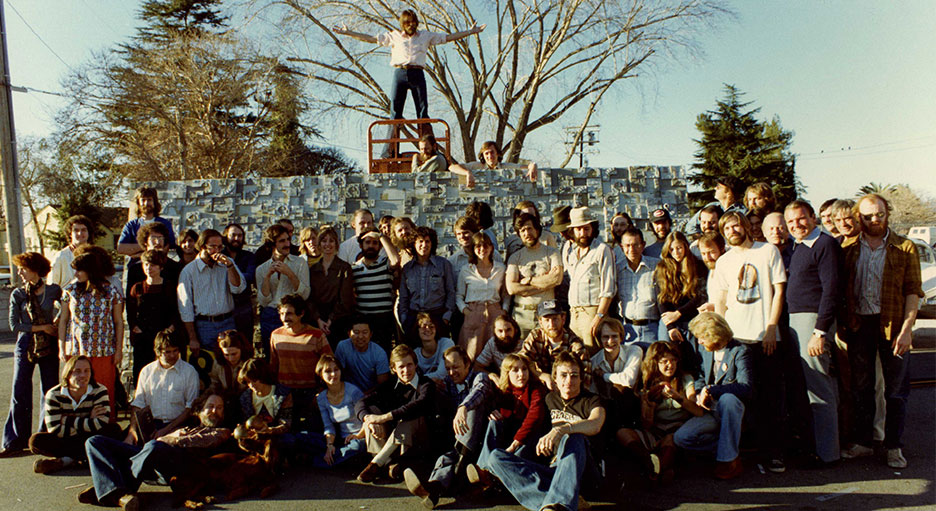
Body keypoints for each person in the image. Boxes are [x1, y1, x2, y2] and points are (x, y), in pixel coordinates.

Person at [839, 194, 922, 469]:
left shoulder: (905, 247)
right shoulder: (848, 247)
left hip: (894, 326)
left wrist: (907, 329)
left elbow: (913, 291)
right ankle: (863, 443)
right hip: (860, 325)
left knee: (896, 391)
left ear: (887, 213)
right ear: (858, 218)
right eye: (868, 216)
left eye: (880, 214)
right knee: (861, 387)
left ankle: (893, 446)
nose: (875, 219)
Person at [708, 210, 787, 472]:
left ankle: (774, 453)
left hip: (764, 336)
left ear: (744, 226)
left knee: (771, 397)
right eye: (727, 227)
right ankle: (748, 451)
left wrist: (771, 327)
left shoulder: (767, 252)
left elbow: (778, 291)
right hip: (736, 339)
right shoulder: (724, 261)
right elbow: (720, 300)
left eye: (736, 225)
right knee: (743, 395)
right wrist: (720, 335)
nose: (732, 230)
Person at [485, 351, 605, 511]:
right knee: (495, 457)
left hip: (583, 473)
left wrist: (562, 430)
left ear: (581, 378)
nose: (569, 381)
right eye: (563, 375)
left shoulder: (592, 400)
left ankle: (561, 502)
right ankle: (557, 503)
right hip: (552, 470)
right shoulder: (550, 399)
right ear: (555, 378)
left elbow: (595, 423)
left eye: (574, 375)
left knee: (574, 438)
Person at [333, 10, 484, 131]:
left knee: (422, 111)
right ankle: (390, 152)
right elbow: (371, 38)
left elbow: (448, 37)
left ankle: (428, 147)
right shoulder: (394, 36)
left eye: (413, 22)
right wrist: (349, 33)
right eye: (408, 22)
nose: (411, 25)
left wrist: (470, 32)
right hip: (400, 73)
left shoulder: (425, 35)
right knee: (395, 113)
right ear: (403, 24)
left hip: (417, 73)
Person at [79, 393, 232, 509]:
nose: (214, 411)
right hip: (151, 456)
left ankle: (113, 489)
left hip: (178, 466)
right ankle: (114, 491)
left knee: (154, 446)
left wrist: (173, 439)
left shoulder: (222, 431)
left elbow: (207, 440)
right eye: (210, 406)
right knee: (95, 441)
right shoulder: (188, 426)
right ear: (200, 410)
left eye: (219, 408)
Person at [783, 200, 843, 466]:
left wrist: (819, 331)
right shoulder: (798, 247)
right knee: (809, 387)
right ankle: (818, 447)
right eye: (791, 222)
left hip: (812, 323)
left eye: (801, 219)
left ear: (813, 218)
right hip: (796, 321)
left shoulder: (825, 244)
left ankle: (828, 454)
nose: (797, 225)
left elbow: (831, 290)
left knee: (819, 386)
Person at [403, 346, 493, 508]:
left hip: (479, 442)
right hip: (459, 444)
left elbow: (480, 390)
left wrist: (463, 407)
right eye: (448, 368)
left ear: (467, 364)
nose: (452, 372)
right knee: (446, 458)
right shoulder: (449, 383)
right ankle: (434, 490)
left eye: (456, 367)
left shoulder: (480, 377)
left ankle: (451, 481)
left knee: (472, 409)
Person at [673, 312, 753, 480]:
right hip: (709, 411)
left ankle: (728, 461)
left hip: (732, 410)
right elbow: (701, 376)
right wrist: (699, 391)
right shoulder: (705, 350)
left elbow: (746, 387)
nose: (699, 341)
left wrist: (711, 390)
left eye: (702, 337)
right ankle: (729, 448)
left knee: (728, 399)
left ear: (714, 335)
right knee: (681, 438)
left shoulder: (740, 351)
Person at [1, 252, 63, 457]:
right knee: (19, 390)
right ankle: (14, 441)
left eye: (23, 269)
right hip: (25, 343)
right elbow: (14, 325)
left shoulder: (54, 291)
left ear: (35, 270)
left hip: (49, 344)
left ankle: (44, 438)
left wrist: (55, 324)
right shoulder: (18, 294)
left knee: (49, 389)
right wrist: (42, 327)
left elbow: (66, 309)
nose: (19, 272)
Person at [617, 341, 703, 482]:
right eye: (665, 361)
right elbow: (647, 425)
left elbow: (698, 411)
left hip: (676, 430)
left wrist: (678, 397)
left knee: (670, 439)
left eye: (673, 360)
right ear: (655, 363)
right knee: (623, 433)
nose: (670, 365)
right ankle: (651, 464)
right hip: (655, 431)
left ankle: (655, 472)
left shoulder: (685, 379)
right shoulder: (647, 383)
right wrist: (649, 406)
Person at [58, 246, 123, 423]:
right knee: (77, 391)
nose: (76, 273)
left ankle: (106, 428)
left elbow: (118, 322)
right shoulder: (69, 291)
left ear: (90, 270)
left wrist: (118, 350)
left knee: (104, 390)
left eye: (79, 270)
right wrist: (61, 347)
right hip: (77, 350)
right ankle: (78, 428)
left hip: (103, 350)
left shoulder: (110, 291)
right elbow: (63, 320)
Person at [466, 354, 548, 492]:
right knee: (494, 423)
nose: (521, 374)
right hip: (510, 435)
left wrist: (514, 445)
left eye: (524, 369)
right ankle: (484, 468)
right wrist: (492, 411)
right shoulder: (503, 390)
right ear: (507, 373)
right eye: (515, 370)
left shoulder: (536, 389)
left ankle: (492, 477)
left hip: (529, 438)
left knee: (519, 451)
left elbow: (533, 419)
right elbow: (491, 405)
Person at [355, 345, 437, 483]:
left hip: (420, 440)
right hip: (395, 442)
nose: (406, 370)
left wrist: (384, 417)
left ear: (416, 365)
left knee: (407, 419)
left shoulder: (426, 384)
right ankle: (389, 466)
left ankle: (376, 464)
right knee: (372, 422)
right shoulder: (390, 385)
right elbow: (361, 402)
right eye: (401, 367)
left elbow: (416, 406)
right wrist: (368, 419)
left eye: (410, 365)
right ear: (393, 369)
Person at [29, 356, 121, 474]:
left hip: (88, 439)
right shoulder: (54, 394)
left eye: (86, 371)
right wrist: (89, 421)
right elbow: (55, 429)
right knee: (35, 441)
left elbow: (101, 422)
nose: (83, 375)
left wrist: (67, 420)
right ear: (68, 374)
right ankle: (85, 458)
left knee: (114, 430)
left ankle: (65, 461)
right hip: (67, 440)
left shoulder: (99, 390)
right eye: (77, 371)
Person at [177, 229, 246, 353]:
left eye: (220, 247)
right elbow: (185, 308)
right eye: (213, 247)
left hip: (228, 322)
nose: (218, 251)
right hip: (205, 325)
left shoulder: (227, 263)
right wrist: (193, 338)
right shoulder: (189, 271)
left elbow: (238, 288)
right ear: (203, 247)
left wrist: (230, 266)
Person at [270, 293, 332, 430]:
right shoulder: (276, 335)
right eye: (282, 314)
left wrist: (321, 390)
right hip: (285, 392)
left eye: (289, 314)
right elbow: (274, 365)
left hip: (309, 392)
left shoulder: (316, 335)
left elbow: (329, 364)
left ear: (301, 314)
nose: (285, 318)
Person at [127, 330, 200, 445]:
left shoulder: (189, 372)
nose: (172, 355)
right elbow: (138, 404)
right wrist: (132, 431)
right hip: (150, 427)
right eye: (167, 352)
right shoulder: (147, 371)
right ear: (158, 352)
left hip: (177, 426)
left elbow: (190, 408)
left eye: (175, 351)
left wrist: (165, 431)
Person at [563, 207, 616, 350]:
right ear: (572, 231)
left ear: (592, 228)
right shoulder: (569, 251)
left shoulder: (602, 250)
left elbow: (608, 288)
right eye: (578, 229)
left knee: (594, 354)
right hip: (574, 313)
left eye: (586, 228)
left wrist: (599, 316)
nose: (583, 233)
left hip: (593, 311)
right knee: (578, 355)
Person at [656, 232, 708, 373]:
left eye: (679, 248)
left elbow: (700, 296)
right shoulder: (662, 268)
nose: (676, 252)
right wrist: (671, 326)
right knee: (669, 357)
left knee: (696, 360)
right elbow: (661, 299)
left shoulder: (697, 265)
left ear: (685, 246)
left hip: (692, 318)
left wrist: (679, 313)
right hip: (670, 321)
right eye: (672, 249)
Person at [127, 250, 181, 384]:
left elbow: (176, 310)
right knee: (142, 372)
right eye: (146, 265)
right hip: (143, 336)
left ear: (161, 267)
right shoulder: (137, 288)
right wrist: (134, 327)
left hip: (164, 336)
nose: (148, 268)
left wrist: (171, 327)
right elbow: (130, 311)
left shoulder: (169, 287)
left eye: (153, 265)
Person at [506, 212, 563, 337]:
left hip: (547, 316)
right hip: (522, 316)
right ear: (519, 234)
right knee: (522, 354)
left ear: (537, 229)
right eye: (522, 230)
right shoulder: (515, 258)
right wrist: (545, 283)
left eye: (529, 228)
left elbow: (557, 279)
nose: (527, 234)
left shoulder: (552, 253)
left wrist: (528, 280)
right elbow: (511, 288)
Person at [257, 224, 311, 354]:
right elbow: (264, 301)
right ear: (272, 244)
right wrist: (267, 277)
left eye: (288, 240)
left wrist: (290, 274)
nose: (287, 244)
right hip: (270, 315)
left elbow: (305, 294)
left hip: (293, 315)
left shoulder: (300, 263)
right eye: (282, 241)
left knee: (294, 355)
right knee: (271, 356)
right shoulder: (261, 269)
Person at [458, 231, 509, 359]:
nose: (482, 249)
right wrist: (466, 311)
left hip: (495, 313)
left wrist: (504, 310)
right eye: (478, 246)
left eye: (486, 246)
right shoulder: (466, 270)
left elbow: (506, 294)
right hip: (473, 313)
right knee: (472, 352)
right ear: (473, 249)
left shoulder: (500, 268)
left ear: (491, 248)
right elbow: (458, 296)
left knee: (496, 352)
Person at [398, 226, 456, 337]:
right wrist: (404, 318)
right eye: (420, 241)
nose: (424, 245)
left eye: (427, 241)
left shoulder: (443, 264)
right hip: (414, 318)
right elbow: (403, 297)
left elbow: (451, 292)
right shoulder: (407, 268)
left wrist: (446, 317)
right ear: (414, 244)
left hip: (437, 317)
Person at [310, 354, 366, 468]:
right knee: (304, 437)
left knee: (356, 447)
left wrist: (359, 435)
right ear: (321, 375)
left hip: (360, 437)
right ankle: (334, 456)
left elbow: (367, 418)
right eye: (328, 371)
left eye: (336, 370)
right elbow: (328, 426)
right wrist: (330, 445)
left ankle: (317, 461)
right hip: (341, 439)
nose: (333, 374)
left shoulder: (353, 392)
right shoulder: (321, 398)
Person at [351, 230, 401, 352]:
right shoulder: (354, 268)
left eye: (375, 243)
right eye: (367, 242)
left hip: (384, 319)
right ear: (361, 245)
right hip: (364, 319)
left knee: (384, 351)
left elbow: (395, 260)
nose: (371, 246)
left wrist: (381, 236)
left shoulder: (385, 263)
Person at [307, 226, 356, 346]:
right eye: (324, 241)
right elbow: (310, 297)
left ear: (336, 244)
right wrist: (318, 319)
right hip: (317, 321)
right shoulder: (313, 269)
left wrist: (330, 321)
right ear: (319, 244)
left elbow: (345, 298)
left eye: (331, 241)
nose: (327, 244)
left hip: (338, 321)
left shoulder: (344, 268)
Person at [521, 300, 582, 389]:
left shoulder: (575, 345)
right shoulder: (535, 336)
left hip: (567, 391)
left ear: (563, 319)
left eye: (555, 319)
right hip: (540, 389)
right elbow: (521, 359)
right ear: (540, 322)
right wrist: (542, 375)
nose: (551, 324)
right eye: (547, 320)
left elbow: (585, 379)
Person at [238, 358, 295, 450]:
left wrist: (269, 431)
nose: (252, 385)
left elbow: (286, 424)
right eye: (248, 382)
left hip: (277, 436)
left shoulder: (282, 394)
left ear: (262, 377)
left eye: (254, 380)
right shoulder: (246, 397)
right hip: (254, 437)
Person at [617, 227, 659, 347]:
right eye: (628, 245)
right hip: (628, 331)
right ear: (622, 247)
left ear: (643, 245)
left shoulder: (656, 266)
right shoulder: (617, 270)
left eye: (636, 245)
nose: (632, 249)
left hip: (652, 329)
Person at [589, 317, 642, 407]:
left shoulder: (634, 351)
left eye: (614, 336)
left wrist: (604, 375)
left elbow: (629, 380)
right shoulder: (594, 361)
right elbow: (593, 392)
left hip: (631, 404)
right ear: (600, 339)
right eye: (606, 337)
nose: (610, 341)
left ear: (621, 337)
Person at [334, 317, 391, 393]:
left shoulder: (379, 353)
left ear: (370, 334)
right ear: (349, 334)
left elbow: (382, 384)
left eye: (365, 332)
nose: (360, 337)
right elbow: (338, 375)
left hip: (371, 394)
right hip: (347, 393)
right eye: (356, 332)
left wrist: (363, 397)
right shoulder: (342, 347)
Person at [117, 186, 176, 258]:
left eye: (149, 200)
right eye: (143, 200)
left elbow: (168, 245)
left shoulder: (164, 224)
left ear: (154, 202)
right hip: (135, 265)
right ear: (138, 203)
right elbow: (121, 248)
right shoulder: (131, 225)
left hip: (159, 265)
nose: (146, 203)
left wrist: (136, 254)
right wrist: (148, 246)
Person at [449, 140, 537, 187]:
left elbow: (526, 166)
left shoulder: (506, 167)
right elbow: (452, 167)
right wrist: (467, 173)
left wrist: (533, 165)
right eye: (486, 153)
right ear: (482, 155)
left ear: (497, 153)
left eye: (492, 152)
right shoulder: (476, 166)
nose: (489, 156)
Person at [223, 223, 257, 340]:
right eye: (233, 235)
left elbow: (250, 277)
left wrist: (231, 276)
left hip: (243, 308)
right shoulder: (220, 256)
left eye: (240, 235)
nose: (237, 239)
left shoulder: (249, 257)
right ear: (226, 236)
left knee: (245, 341)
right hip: (224, 307)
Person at [49, 215, 93, 288]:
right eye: (76, 230)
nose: (80, 233)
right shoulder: (61, 256)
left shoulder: (95, 255)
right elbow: (52, 285)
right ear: (70, 234)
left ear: (88, 233)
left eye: (84, 230)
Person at [208, 329, 251, 403]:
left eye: (234, 354)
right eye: (226, 355)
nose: (231, 359)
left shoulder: (249, 363)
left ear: (242, 349)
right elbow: (214, 384)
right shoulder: (218, 363)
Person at [412, 313, 456, 381]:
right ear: (418, 330)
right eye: (424, 327)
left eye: (431, 326)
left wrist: (420, 380)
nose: (428, 329)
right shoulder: (415, 354)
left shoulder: (446, 343)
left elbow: (442, 374)